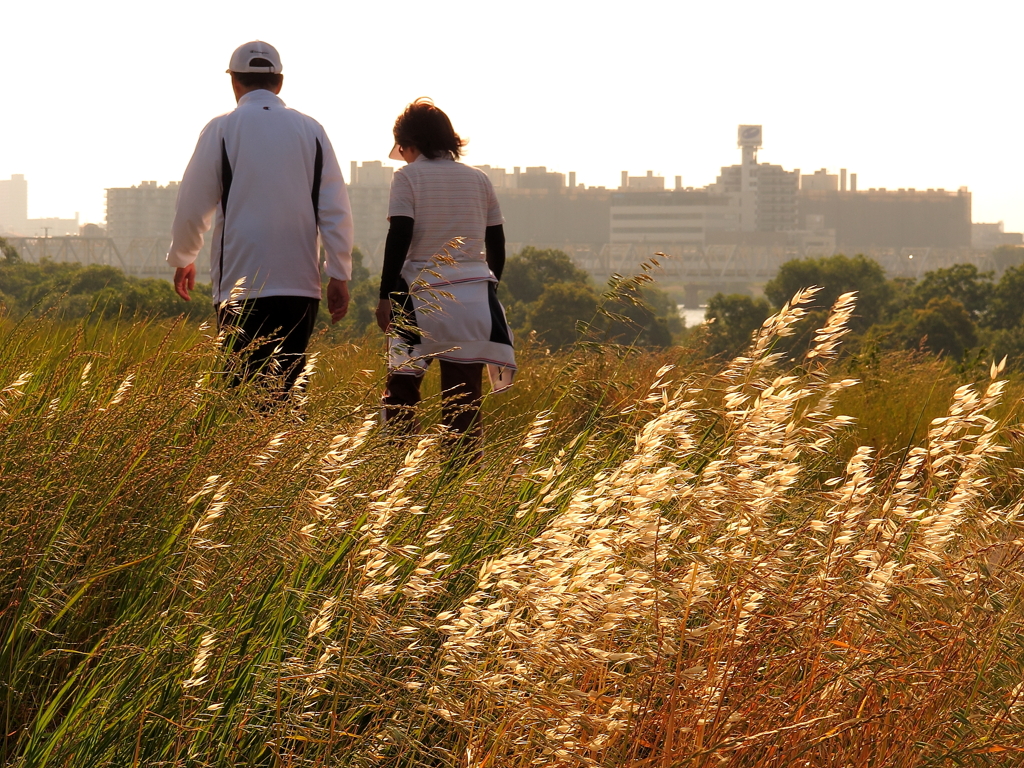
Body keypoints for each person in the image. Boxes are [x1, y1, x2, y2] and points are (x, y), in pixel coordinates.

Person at [167, 41, 353, 400]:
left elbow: (192, 204)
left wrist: (183, 257)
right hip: (300, 284)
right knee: (287, 390)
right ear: (279, 83)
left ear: (234, 82)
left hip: (240, 283)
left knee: (238, 391)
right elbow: (335, 209)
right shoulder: (312, 130)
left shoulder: (221, 129)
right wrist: (339, 274)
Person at [377, 98, 516, 452]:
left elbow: (399, 237)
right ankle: (458, 482)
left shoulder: (407, 178)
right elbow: (497, 243)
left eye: (402, 148)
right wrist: (488, 286)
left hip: (419, 298)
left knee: (402, 392)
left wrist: (385, 297)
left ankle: (396, 472)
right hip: (473, 302)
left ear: (411, 143)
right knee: (463, 402)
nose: (403, 155)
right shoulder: (479, 180)